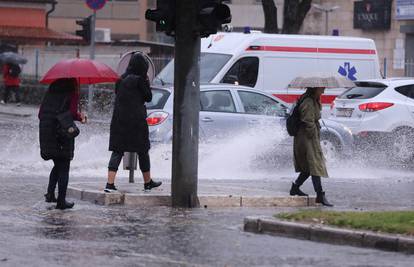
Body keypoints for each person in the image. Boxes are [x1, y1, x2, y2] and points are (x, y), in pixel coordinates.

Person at [105, 53, 161, 192]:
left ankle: (109, 184)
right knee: (143, 151)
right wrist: (147, 82)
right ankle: (147, 182)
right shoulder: (140, 80)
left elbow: (118, 94)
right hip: (136, 122)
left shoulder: (121, 79)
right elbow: (148, 97)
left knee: (117, 151)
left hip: (119, 120)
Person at [38, 78, 87, 210]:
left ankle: (49, 194)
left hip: (47, 131)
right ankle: (61, 202)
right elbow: (70, 113)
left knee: (58, 163)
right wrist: (80, 117)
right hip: (62, 133)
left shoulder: (51, 92)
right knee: (64, 165)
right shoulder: (72, 92)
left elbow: (40, 113)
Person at [289, 87, 333, 207]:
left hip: (308, 137)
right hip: (306, 138)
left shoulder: (313, 99)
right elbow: (308, 121)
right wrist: (313, 133)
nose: (323, 91)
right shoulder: (308, 101)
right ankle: (320, 195)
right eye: (322, 89)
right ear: (315, 89)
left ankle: (295, 187)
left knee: (309, 167)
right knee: (315, 164)